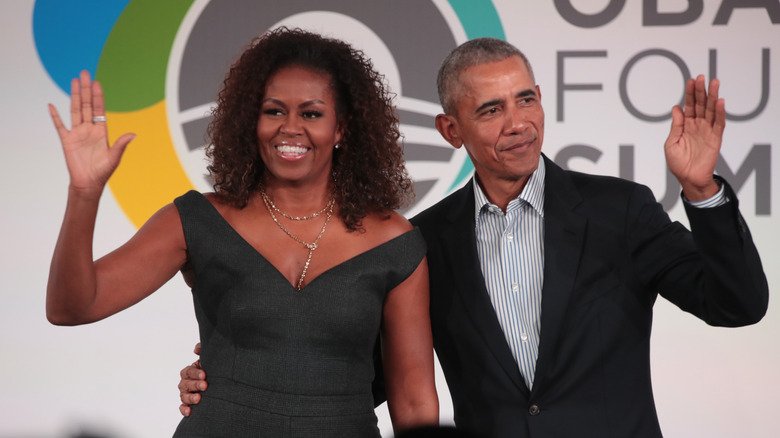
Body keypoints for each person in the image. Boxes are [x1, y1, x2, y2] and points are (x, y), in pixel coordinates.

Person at [179, 37, 769, 437]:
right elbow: (366, 378)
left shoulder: (620, 211)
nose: (518, 123)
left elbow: (737, 305)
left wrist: (702, 193)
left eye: (527, 99)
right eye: (491, 110)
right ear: (451, 129)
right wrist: (233, 374)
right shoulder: (423, 242)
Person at [46, 28, 438, 437]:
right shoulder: (199, 219)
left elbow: (413, 398)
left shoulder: (393, 241)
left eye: (311, 113)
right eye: (273, 111)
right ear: (251, 120)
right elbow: (72, 306)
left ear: (342, 128)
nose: (290, 128)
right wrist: (84, 193)